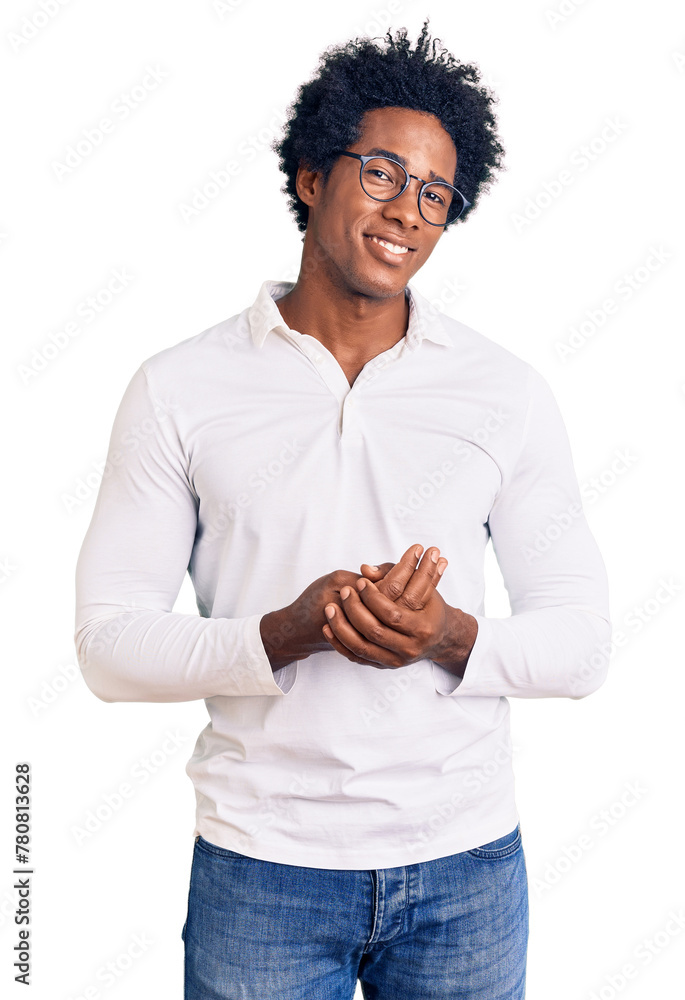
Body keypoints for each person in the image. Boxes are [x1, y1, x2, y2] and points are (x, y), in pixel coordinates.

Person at [74, 19, 612, 1000]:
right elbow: (107, 648)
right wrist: (286, 631)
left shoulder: (505, 391)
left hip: (467, 867)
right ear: (311, 177)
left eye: (434, 193)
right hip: (261, 868)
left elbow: (582, 643)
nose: (406, 209)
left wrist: (446, 633)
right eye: (379, 172)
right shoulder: (179, 388)